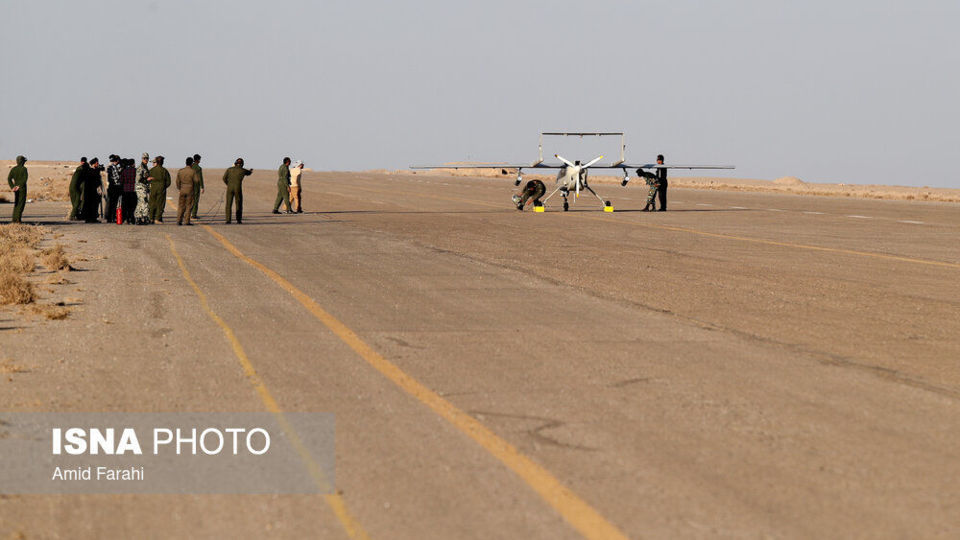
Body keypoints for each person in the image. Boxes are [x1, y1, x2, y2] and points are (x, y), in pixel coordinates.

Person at [223, 158, 253, 224]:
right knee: (238, 204)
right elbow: (248, 173)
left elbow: (224, 178)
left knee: (228, 204)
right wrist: (251, 170)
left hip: (229, 188)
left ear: (235, 163)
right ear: (242, 164)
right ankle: (238, 220)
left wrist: (228, 184)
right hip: (238, 188)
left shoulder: (229, 169)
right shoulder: (242, 170)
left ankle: (228, 220)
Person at [176, 157, 199, 226]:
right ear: (192, 163)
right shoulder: (193, 171)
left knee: (181, 205)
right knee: (189, 206)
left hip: (182, 189)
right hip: (190, 190)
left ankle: (179, 220)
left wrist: (179, 188)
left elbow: (177, 181)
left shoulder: (181, 171)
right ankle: (186, 221)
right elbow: (197, 180)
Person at [80, 157, 104, 223]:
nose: (98, 164)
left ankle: (90, 218)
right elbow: (96, 181)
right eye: (97, 163)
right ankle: (92, 218)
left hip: (90, 191)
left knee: (91, 204)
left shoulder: (90, 170)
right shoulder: (91, 171)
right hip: (92, 191)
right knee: (93, 204)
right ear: (94, 164)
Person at [148, 156, 171, 223]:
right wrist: (163, 186)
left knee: (152, 203)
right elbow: (168, 182)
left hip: (153, 189)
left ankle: (151, 218)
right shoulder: (164, 171)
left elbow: (148, 179)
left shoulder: (152, 170)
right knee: (160, 204)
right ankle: (157, 218)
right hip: (161, 189)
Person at [6, 155, 28, 223]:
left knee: (16, 203)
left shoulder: (13, 169)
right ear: (22, 162)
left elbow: (9, 178)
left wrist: (12, 187)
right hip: (22, 189)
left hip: (15, 188)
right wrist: (19, 186)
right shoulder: (24, 169)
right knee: (21, 204)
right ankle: (18, 219)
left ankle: (14, 219)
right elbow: (25, 179)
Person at [134, 153, 151, 224]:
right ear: (142, 159)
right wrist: (147, 179)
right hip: (140, 187)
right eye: (144, 158)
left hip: (144, 187)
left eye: (147, 158)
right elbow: (138, 179)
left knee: (141, 203)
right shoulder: (140, 168)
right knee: (143, 202)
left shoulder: (145, 167)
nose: (146, 160)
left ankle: (140, 218)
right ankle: (143, 217)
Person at [105, 155, 123, 223]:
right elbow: (117, 178)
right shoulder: (113, 167)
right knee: (113, 204)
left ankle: (109, 217)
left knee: (110, 203)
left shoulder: (109, 167)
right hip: (114, 187)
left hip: (110, 187)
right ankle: (111, 217)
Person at [119, 158, 138, 224]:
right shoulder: (135, 171)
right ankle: (132, 218)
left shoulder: (124, 171)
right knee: (133, 206)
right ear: (133, 164)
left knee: (125, 206)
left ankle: (126, 218)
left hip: (125, 190)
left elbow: (121, 181)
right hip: (133, 190)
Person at [191, 153, 204, 219]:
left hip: (189, 185)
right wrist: (202, 187)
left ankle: (187, 213)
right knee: (195, 200)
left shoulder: (190, 166)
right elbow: (200, 178)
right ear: (198, 160)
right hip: (196, 186)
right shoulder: (198, 168)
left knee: (189, 200)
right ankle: (193, 214)